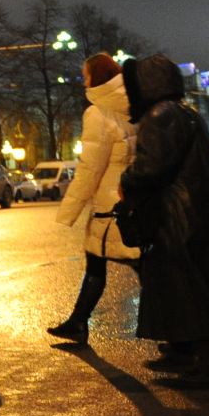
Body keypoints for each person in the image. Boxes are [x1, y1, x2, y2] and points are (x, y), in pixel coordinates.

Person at [118, 55, 209, 389]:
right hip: (194, 211)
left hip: (178, 216)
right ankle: (183, 351)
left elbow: (151, 168)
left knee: (190, 289)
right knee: (187, 285)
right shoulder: (186, 111)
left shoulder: (161, 115)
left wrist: (126, 179)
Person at [48, 54, 140, 345]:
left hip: (109, 208)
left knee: (134, 267)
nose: (83, 81)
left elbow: (90, 168)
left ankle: (179, 333)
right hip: (131, 200)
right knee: (100, 263)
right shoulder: (134, 107)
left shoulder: (98, 114)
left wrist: (69, 211)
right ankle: (77, 321)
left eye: (85, 75)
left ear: (95, 79)